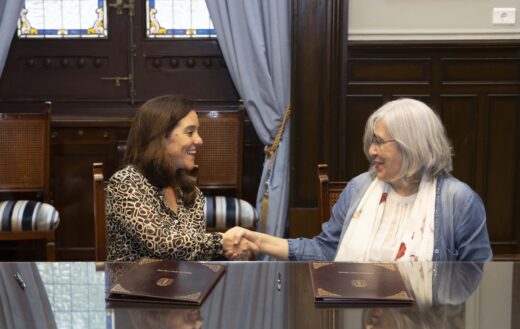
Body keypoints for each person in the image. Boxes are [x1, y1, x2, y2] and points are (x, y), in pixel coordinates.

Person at [227, 98, 492, 261]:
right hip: (358, 322)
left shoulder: (458, 201)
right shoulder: (359, 188)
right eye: (371, 141)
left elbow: (476, 279)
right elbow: (325, 251)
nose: (371, 151)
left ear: (412, 145)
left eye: (379, 142)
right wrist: (257, 240)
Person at [106, 95, 255, 261]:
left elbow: (193, 251)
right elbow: (160, 243)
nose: (199, 140)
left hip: (181, 283)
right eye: (190, 132)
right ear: (160, 136)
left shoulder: (190, 191)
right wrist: (222, 242)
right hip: (133, 284)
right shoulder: (126, 182)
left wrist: (230, 252)